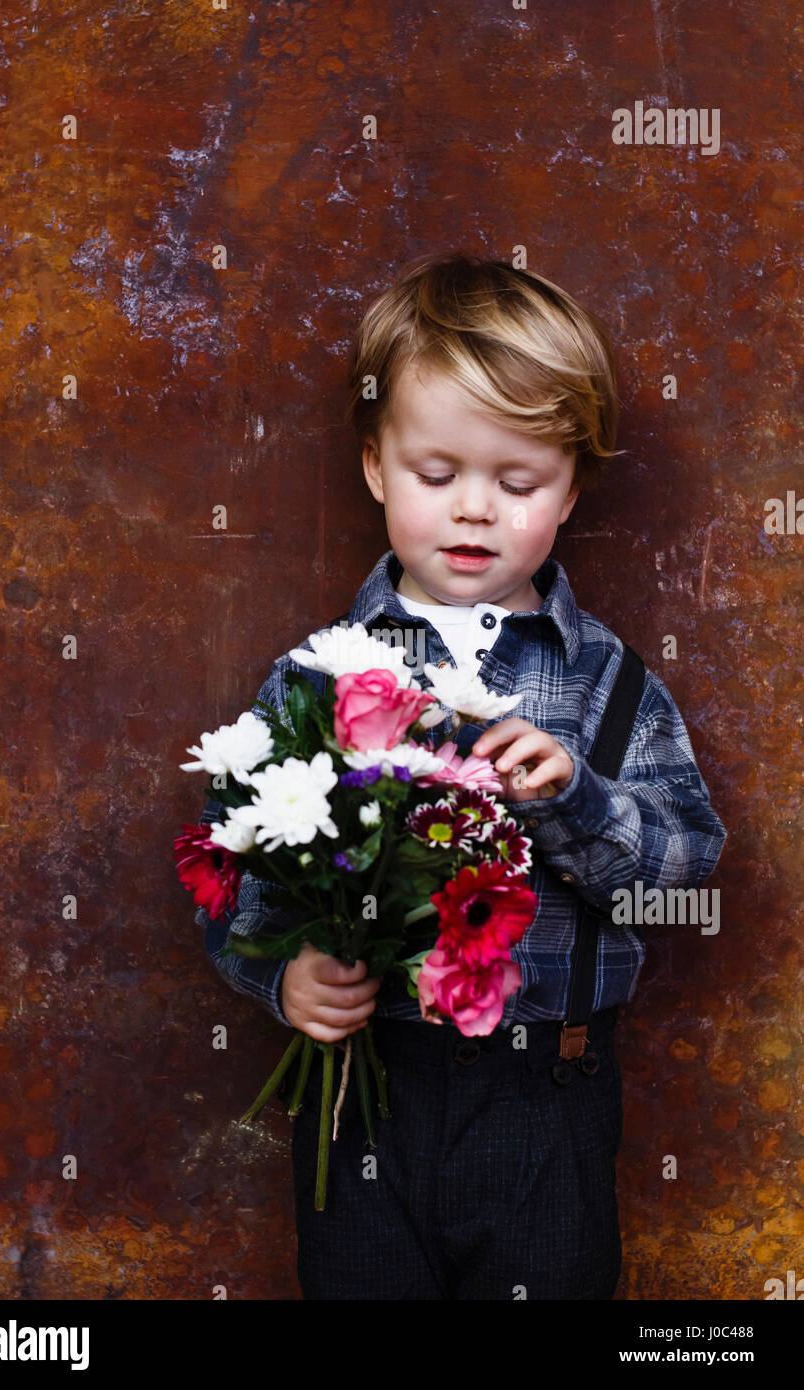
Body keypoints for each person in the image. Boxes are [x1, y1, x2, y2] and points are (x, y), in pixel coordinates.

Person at [195, 252, 727, 1299]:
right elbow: (230, 863)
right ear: (376, 468)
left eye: (516, 481)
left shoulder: (607, 685)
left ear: (569, 486)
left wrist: (574, 797)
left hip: (547, 1093)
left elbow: (679, 875)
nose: (473, 509)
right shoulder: (313, 678)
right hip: (366, 1087)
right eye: (437, 475)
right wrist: (282, 973)